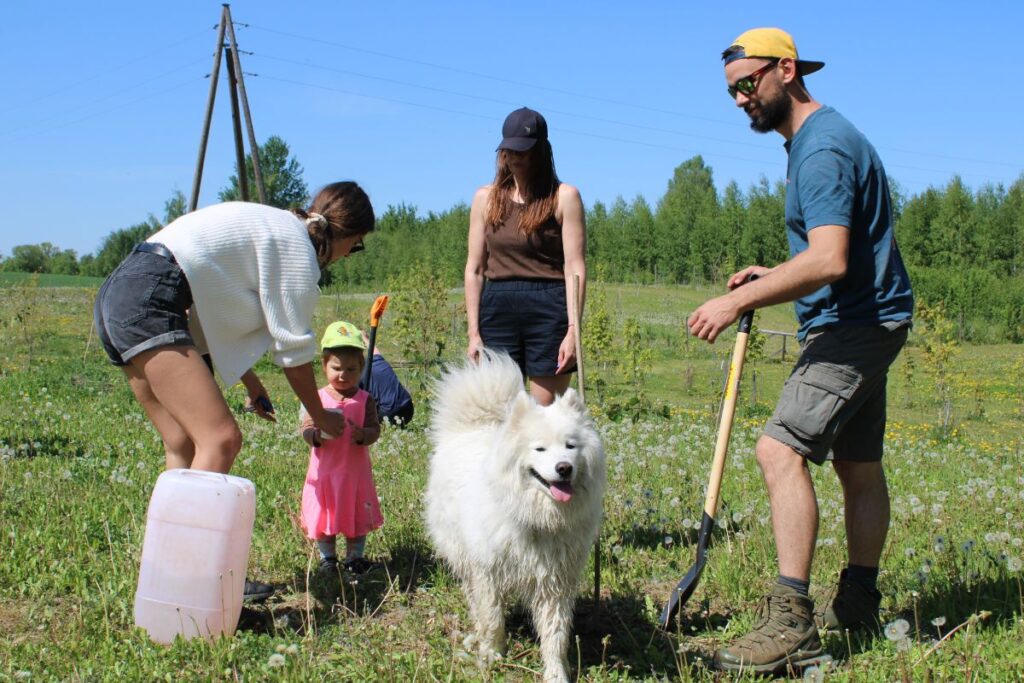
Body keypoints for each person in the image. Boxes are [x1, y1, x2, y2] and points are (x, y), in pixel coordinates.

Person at [687, 28, 914, 674]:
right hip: (875, 318)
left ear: (787, 69)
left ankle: (793, 623)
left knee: (778, 448)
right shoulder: (818, 140)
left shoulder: (819, 149)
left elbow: (829, 258)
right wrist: (769, 276)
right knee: (858, 464)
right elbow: (831, 253)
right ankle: (861, 599)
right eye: (731, 91)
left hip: (851, 325)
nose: (740, 99)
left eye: (748, 83)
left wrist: (738, 302)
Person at [93, 181, 375, 599]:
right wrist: (320, 416)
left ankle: (168, 580)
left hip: (121, 293)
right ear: (348, 236)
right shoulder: (298, 250)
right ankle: (195, 577)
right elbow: (294, 350)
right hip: (154, 297)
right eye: (356, 247)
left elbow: (216, 302)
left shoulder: (278, 228)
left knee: (183, 443)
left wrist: (249, 378)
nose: (349, 256)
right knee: (220, 438)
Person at [464, 107, 586, 406]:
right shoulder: (485, 198)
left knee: (546, 416)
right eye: (509, 149)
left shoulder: (564, 196)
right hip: (498, 306)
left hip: (549, 306)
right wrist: (474, 333)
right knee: (501, 413)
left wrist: (573, 331)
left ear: (541, 152)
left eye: (524, 150)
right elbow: (475, 269)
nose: (515, 157)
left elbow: (575, 267)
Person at [299, 320, 383, 575]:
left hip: (354, 473)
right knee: (326, 514)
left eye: (352, 369)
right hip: (325, 473)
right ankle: (328, 558)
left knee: (356, 515)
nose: (343, 375)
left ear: (361, 368)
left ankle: (355, 557)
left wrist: (363, 435)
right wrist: (315, 436)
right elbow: (305, 429)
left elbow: (375, 430)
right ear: (324, 366)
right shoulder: (317, 398)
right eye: (336, 368)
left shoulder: (365, 399)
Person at [360, 330, 414, 428]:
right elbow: (374, 349)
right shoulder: (376, 359)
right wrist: (365, 337)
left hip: (390, 414)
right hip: (408, 408)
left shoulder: (357, 375)